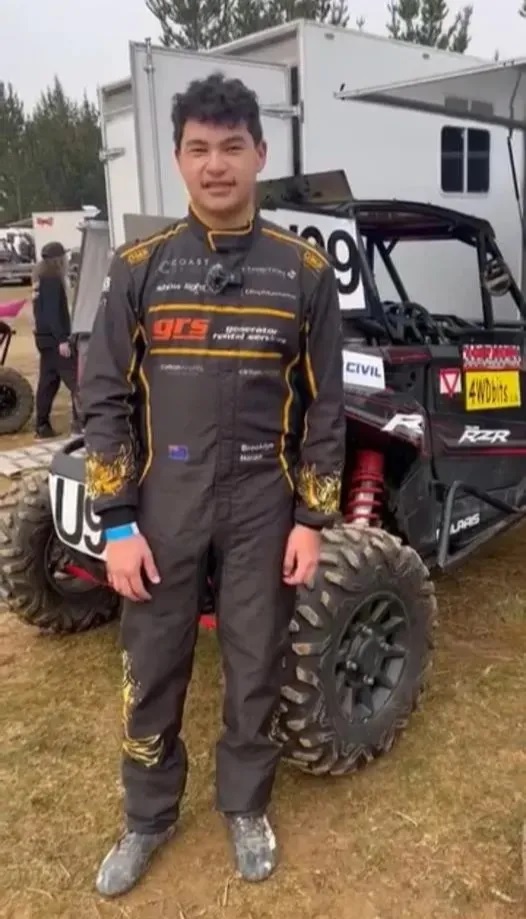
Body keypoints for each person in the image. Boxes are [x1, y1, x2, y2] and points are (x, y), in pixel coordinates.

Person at [80, 71, 346, 899]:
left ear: (260, 153)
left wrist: (312, 519)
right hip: (165, 501)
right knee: (154, 660)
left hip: (266, 502)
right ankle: (148, 814)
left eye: (232, 147)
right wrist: (116, 521)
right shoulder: (139, 269)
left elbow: (326, 406)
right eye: (199, 148)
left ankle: (245, 804)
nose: (216, 164)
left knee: (255, 659)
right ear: (178, 159)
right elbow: (103, 398)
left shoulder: (304, 273)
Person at [31, 241, 81, 438]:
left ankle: (42, 425)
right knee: (76, 381)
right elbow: (53, 312)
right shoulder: (52, 278)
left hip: (43, 338)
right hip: (55, 340)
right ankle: (81, 424)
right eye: (64, 257)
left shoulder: (39, 277)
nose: (67, 260)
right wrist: (62, 339)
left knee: (48, 383)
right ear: (58, 259)